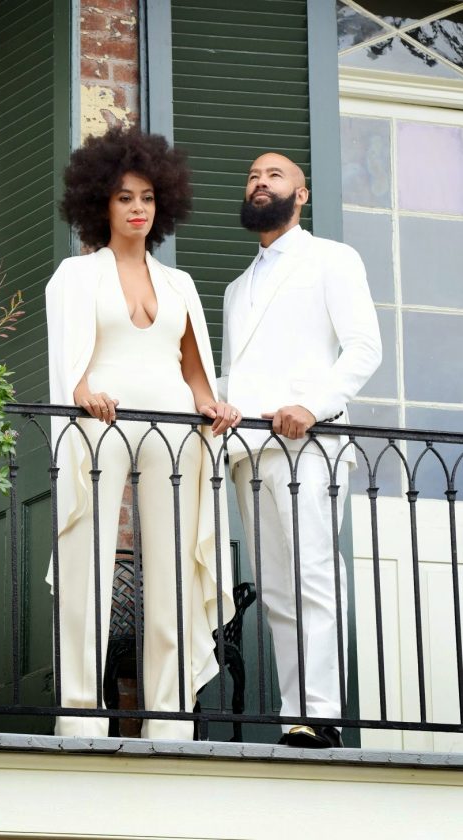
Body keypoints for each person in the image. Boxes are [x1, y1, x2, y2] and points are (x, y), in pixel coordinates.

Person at [46, 126, 240, 740]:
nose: (138, 208)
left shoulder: (179, 284)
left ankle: (170, 719)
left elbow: (194, 370)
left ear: (163, 205)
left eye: (148, 198)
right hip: (100, 420)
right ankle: (80, 715)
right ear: (100, 202)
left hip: (174, 426)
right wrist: (81, 392)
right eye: (125, 197)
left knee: (173, 571)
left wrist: (213, 405)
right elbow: (68, 362)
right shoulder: (76, 275)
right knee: (87, 563)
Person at [219, 152, 382, 748]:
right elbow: (239, 375)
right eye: (252, 176)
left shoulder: (332, 259)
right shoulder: (237, 288)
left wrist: (312, 406)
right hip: (249, 453)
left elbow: (364, 348)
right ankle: (298, 715)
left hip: (310, 443)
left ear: (302, 195)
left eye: (274, 175)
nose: (260, 182)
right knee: (277, 592)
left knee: (313, 575)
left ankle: (323, 714)